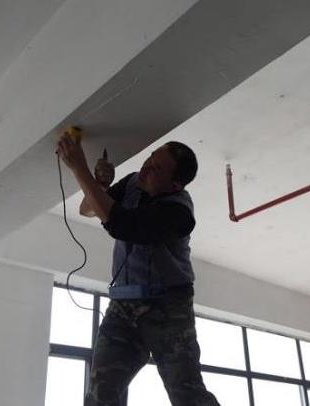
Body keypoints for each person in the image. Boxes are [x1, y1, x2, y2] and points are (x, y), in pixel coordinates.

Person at [56, 133, 220, 406]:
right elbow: (88, 209)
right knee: (100, 393)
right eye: (150, 158)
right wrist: (100, 184)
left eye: (157, 168)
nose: (146, 167)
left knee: (186, 393)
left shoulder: (179, 213)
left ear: (174, 185)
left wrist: (79, 168)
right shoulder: (133, 182)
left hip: (168, 308)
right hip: (123, 305)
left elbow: (122, 225)